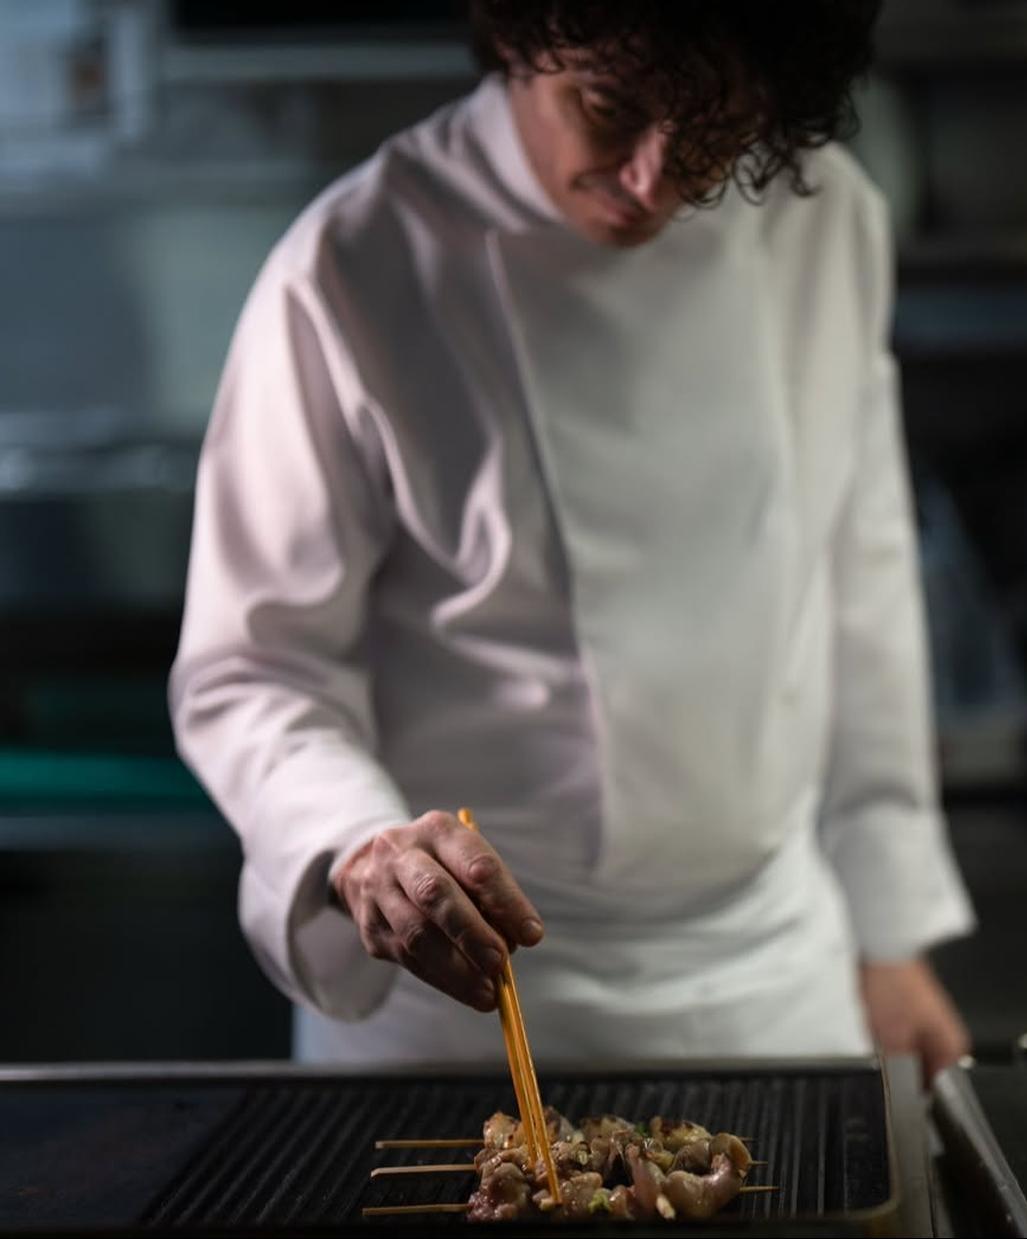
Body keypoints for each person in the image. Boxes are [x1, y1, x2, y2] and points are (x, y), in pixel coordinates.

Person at [170, 0, 976, 1078]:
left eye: (710, 135)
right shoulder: (353, 266)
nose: (652, 179)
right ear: (515, 39)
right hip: (460, 997)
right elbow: (253, 669)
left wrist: (890, 938)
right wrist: (361, 846)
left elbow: (860, 578)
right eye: (607, 109)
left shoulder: (823, 218)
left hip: (770, 974)